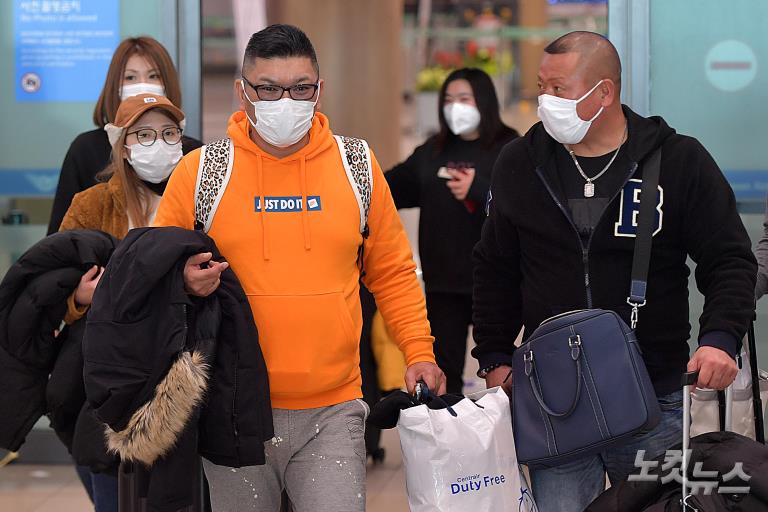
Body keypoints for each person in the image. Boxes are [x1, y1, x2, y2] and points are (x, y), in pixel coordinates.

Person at [153, 24, 445, 511]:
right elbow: (153, 270)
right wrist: (181, 280)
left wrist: (419, 350)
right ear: (242, 91)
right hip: (232, 406)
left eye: (299, 87)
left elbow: (391, 271)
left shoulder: (357, 166)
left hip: (334, 407)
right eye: (267, 88)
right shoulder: (201, 172)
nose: (283, 100)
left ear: (319, 90)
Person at [472, 31, 756, 511]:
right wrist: (495, 355)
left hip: (655, 396)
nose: (546, 101)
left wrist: (720, 337)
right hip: (554, 399)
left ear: (603, 93)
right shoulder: (521, 162)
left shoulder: (679, 160)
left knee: (656, 506)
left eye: (559, 89)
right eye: (541, 87)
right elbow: (494, 264)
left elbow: (728, 256)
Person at [58, 93, 186, 512]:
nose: (159, 144)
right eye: (144, 135)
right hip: (110, 373)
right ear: (123, 145)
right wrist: (78, 297)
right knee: (111, 487)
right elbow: (54, 282)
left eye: (169, 134)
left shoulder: (196, 196)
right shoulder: (92, 204)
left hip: (177, 372)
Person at [386, 68, 518, 394]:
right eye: (448, 100)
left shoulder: (510, 148)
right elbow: (389, 189)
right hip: (443, 283)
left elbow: (524, 206)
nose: (454, 107)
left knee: (501, 371)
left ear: (483, 102)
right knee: (444, 374)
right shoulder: (434, 150)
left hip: (495, 284)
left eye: (463, 99)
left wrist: (480, 191)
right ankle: (455, 439)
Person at [48, 36, 202, 235]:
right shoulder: (86, 150)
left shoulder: (196, 155)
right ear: (121, 148)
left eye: (154, 76)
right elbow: (58, 245)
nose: (143, 84)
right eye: (130, 77)